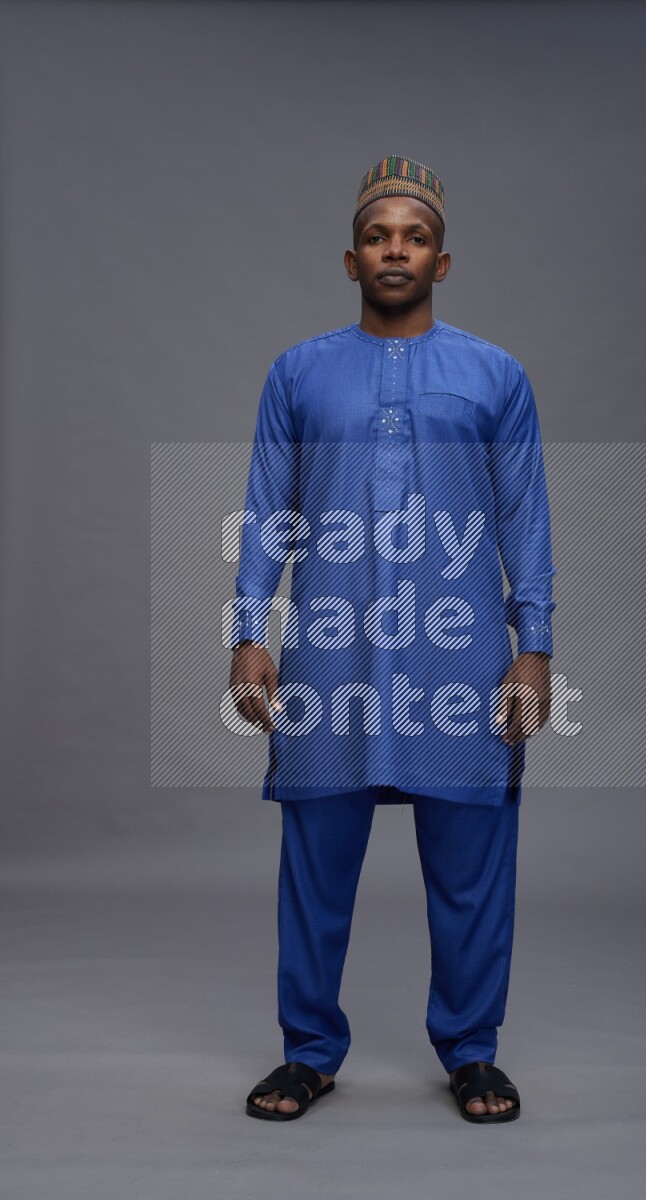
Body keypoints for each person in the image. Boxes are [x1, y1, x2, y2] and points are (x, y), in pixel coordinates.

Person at [229, 156, 556, 1123]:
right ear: (351, 257)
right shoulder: (299, 372)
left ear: (442, 260)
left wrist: (532, 646)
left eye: (414, 236)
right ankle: (309, 1050)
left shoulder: (496, 375)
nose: (396, 249)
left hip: (460, 659)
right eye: (379, 236)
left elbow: (525, 518)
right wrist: (251, 631)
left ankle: (471, 1050)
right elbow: (265, 513)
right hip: (334, 655)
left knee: (472, 863)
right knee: (316, 863)